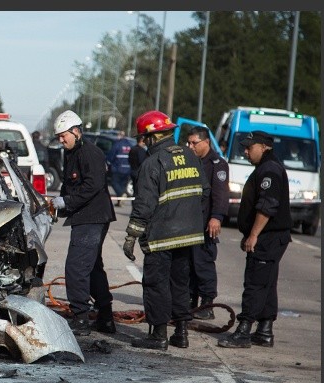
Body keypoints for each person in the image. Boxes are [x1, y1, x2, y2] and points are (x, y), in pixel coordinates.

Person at [122, 110, 208, 350]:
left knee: (156, 284)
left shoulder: (152, 163)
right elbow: (204, 193)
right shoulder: (192, 158)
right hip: (188, 235)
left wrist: (131, 236)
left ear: (151, 138)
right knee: (180, 284)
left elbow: (144, 206)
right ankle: (181, 333)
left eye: (143, 138)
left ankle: (158, 335)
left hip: (161, 237)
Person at [218, 131, 292, 349]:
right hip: (270, 237)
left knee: (255, 283)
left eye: (250, 147)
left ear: (264, 147)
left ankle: (244, 331)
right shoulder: (266, 168)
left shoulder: (269, 170)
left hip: (268, 237)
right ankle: (265, 330)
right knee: (266, 282)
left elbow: (267, 206)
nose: (246, 151)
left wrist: (253, 235)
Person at [50, 110, 117, 336]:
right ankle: (105, 317)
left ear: (76, 131)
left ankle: (80, 318)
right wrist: (59, 205)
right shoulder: (72, 153)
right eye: (59, 137)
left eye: (63, 136)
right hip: (85, 216)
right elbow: (70, 185)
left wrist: (66, 202)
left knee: (76, 267)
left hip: (93, 217)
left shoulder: (90, 153)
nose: (61, 140)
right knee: (92, 267)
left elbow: (91, 187)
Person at [186, 126, 230, 320]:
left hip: (205, 223)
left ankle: (207, 305)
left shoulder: (217, 164)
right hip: (189, 223)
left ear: (206, 142)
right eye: (188, 143)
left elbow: (220, 194)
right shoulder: (190, 161)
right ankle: (189, 302)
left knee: (203, 265)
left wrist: (217, 217)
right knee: (188, 266)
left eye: (194, 143)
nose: (190, 146)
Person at [105, 132, 134, 206]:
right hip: (127, 169)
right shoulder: (130, 145)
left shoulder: (117, 144)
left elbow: (110, 156)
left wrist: (108, 163)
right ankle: (119, 201)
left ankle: (121, 194)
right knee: (122, 185)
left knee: (114, 183)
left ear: (120, 136)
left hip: (118, 168)